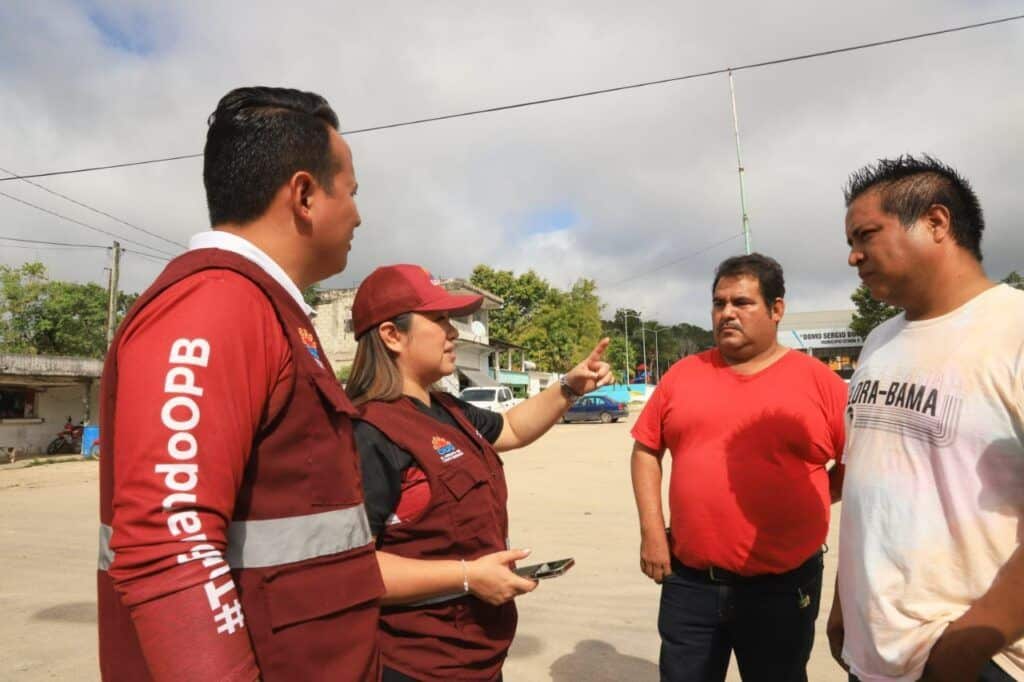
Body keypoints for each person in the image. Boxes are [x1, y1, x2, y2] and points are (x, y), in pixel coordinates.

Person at [97, 87, 383, 681]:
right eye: (351, 192)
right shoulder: (218, 303)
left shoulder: (268, 308)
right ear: (304, 194)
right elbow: (168, 544)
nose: (358, 213)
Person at [346, 263, 613, 682]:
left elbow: (511, 427)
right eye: (438, 320)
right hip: (416, 665)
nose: (453, 332)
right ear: (392, 335)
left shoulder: (448, 410)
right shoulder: (368, 432)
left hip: (477, 658)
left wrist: (570, 387)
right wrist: (469, 577)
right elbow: (351, 570)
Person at [829, 155, 1024, 682]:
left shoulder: (1013, 330)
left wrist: (962, 652)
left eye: (866, 234)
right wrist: (845, 601)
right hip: (874, 656)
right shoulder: (879, 341)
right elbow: (872, 484)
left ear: (937, 223)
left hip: (978, 656)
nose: (853, 255)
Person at [630, 253, 848, 682]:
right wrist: (653, 532)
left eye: (742, 302)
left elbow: (855, 464)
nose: (727, 312)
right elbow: (645, 451)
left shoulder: (820, 383)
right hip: (689, 582)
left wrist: (811, 496)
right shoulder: (682, 375)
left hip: (783, 588)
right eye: (719, 302)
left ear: (776, 309)